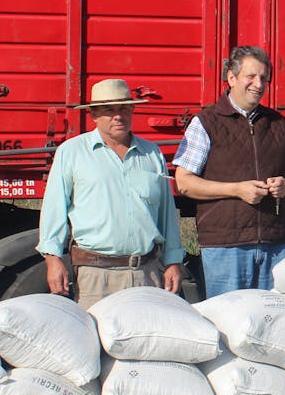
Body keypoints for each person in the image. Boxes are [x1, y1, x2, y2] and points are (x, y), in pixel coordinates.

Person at [37, 78, 185, 309]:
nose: (119, 116)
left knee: (145, 342)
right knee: (97, 341)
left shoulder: (151, 153)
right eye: (109, 110)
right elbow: (54, 209)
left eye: (125, 108)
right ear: (94, 115)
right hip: (95, 276)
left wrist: (174, 261)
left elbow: (167, 214)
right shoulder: (73, 152)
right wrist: (53, 259)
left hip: (147, 273)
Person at [174, 46, 285, 296]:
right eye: (250, 76)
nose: (258, 84)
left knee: (275, 322)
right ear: (231, 78)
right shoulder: (206, 122)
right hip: (226, 247)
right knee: (229, 322)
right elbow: (184, 182)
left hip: (276, 244)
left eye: (264, 78)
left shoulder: (279, 125)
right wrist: (236, 190)